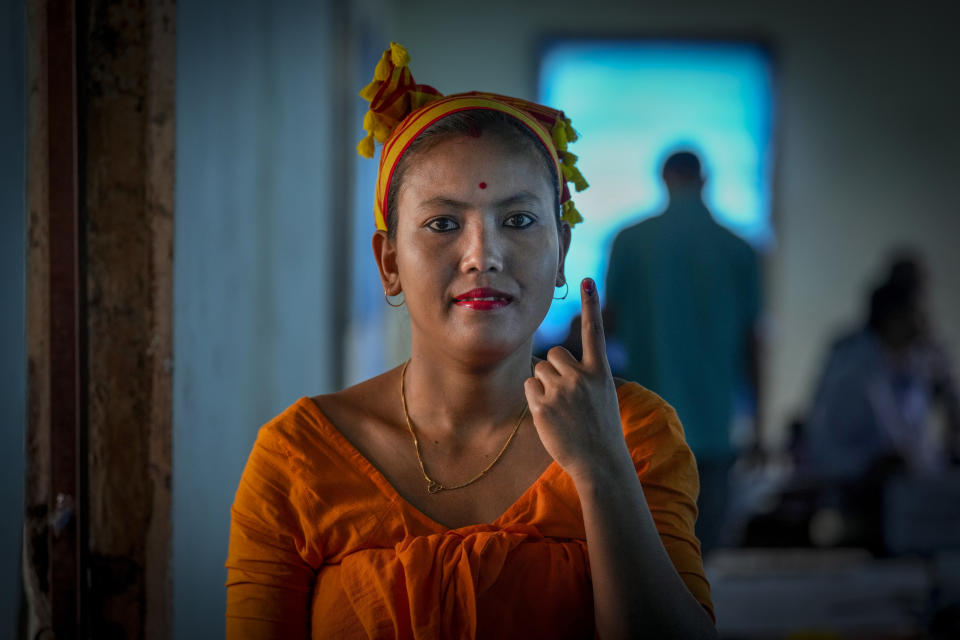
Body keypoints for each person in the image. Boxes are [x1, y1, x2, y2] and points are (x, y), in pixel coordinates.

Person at [226, 43, 716, 639]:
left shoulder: (634, 434)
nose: (484, 255)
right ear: (388, 263)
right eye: (443, 224)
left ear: (561, 251)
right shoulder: (297, 458)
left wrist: (601, 469)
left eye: (518, 220)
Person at [604, 151, 763, 555]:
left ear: (663, 178)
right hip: (714, 429)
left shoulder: (630, 241)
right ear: (704, 180)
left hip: (645, 428)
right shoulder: (739, 249)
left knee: (648, 552)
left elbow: (606, 327)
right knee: (705, 557)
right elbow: (752, 343)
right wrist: (759, 423)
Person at [802, 253, 960, 482]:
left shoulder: (920, 359)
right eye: (916, 309)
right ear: (894, 317)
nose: (925, 318)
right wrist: (870, 467)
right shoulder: (853, 367)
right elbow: (824, 450)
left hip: (906, 489)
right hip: (858, 492)